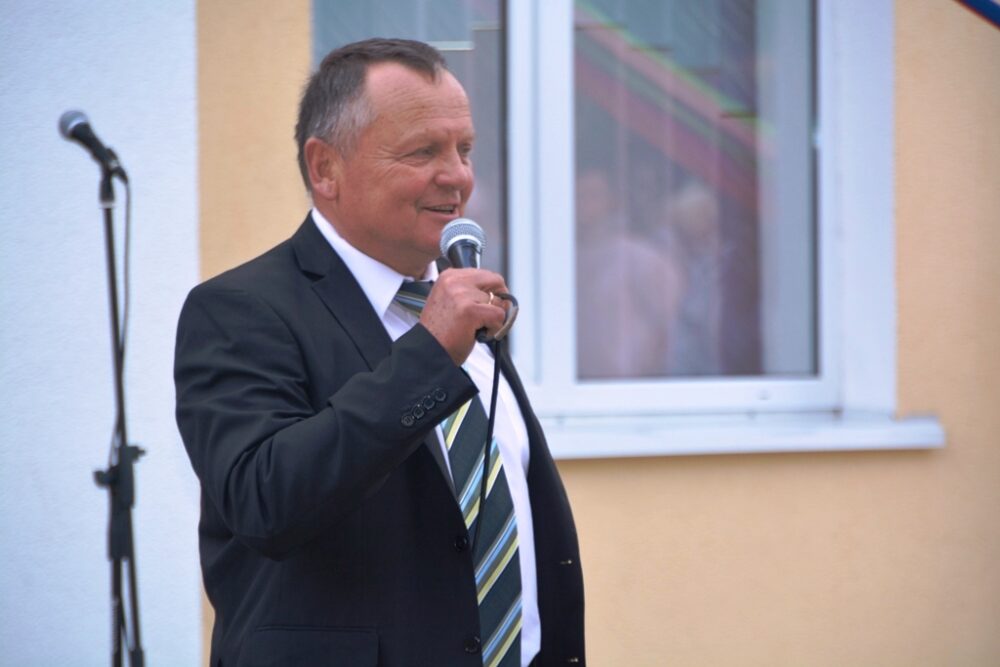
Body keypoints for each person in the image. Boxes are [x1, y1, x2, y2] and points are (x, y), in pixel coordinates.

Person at [174, 38, 585, 667]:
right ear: (325, 168)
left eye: (464, 149)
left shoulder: (459, 306)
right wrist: (429, 355)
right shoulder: (240, 310)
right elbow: (265, 503)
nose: (457, 176)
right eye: (423, 151)